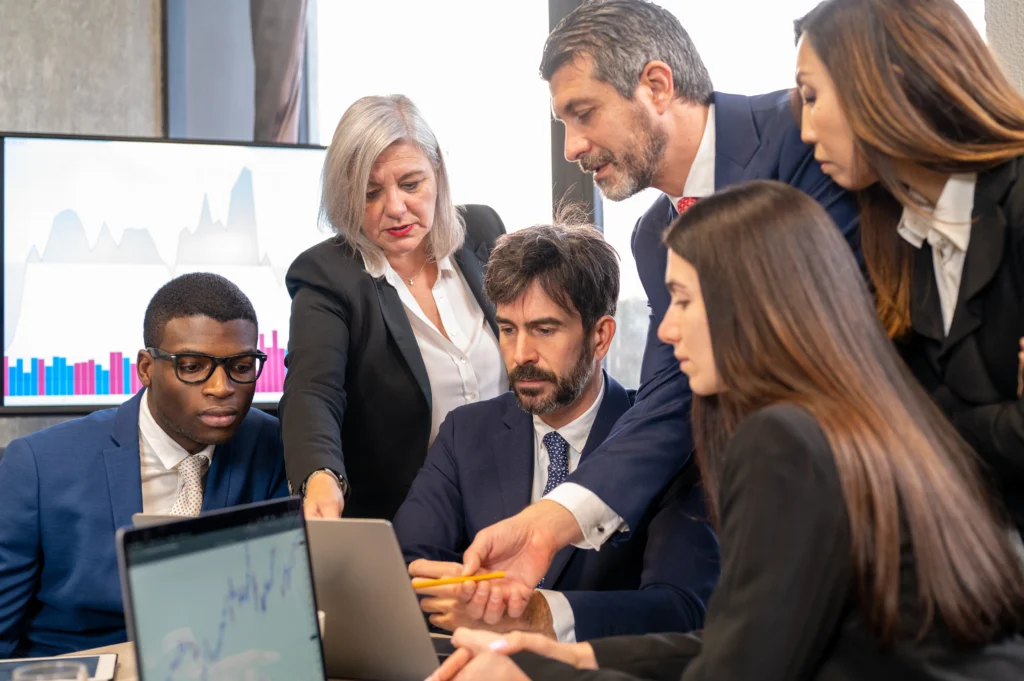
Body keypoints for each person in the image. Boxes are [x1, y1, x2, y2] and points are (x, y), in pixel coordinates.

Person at [425, 181, 1024, 681]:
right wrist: (571, 655)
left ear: (754, 304)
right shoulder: (852, 416)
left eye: (681, 301)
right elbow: (738, 641)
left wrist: (536, 673)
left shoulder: (782, 441)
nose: (665, 332)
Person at [453, 0, 860, 618]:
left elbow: (861, 321)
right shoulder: (651, 237)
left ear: (656, 85)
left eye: (582, 114)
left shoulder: (801, 136)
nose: (572, 147)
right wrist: (550, 522)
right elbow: (672, 402)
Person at [393, 224, 718, 642]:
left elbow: (683, 608)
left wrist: (538, 616)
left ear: (600, 337)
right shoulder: (465, 432)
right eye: (508, 329)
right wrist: (467, 597)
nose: (521, 354)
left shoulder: (664, 444)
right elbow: (408, 567)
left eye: (545, 330)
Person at [793, 0, 1024, 531]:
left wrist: (927, 424)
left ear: (890, 84)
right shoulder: (901, 241)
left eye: (812, 97)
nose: (806, 132)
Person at [0, 273, 288, 657]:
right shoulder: (39, 466)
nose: (222, 387)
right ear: (146, 368)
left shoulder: (274, 446)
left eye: (241, 366)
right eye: (192, 365)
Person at [280, 94, 508, 520]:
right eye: (370, 193)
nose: (395, 208)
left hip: (510, 503)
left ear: (437, 172)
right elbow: (313, 390)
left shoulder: (483, 231)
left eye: (410, 184)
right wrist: (320, 475)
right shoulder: (327, 275)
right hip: (407, 519)